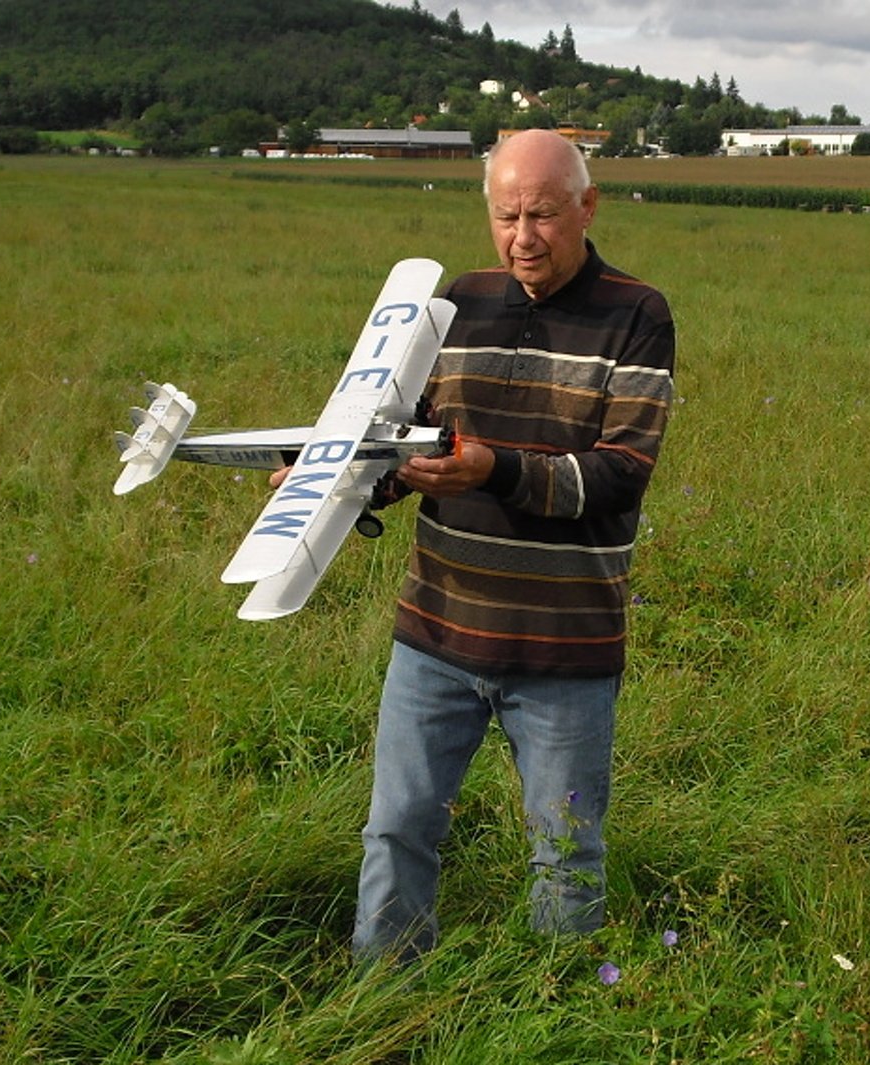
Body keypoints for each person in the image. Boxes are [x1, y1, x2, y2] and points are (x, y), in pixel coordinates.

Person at [338, 129, 675, 964]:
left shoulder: (638, 314)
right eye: (506, 215)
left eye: (544, 215)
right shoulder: (458, 301)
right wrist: (338, 481)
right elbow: (409, 440)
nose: (523, 236)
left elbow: (620, 475)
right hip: (436, 635)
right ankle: (382, 992)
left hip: (564, 650)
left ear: (588, 207)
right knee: (397, 827)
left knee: (565, 850)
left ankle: (556, 1005)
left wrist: (495, 469)